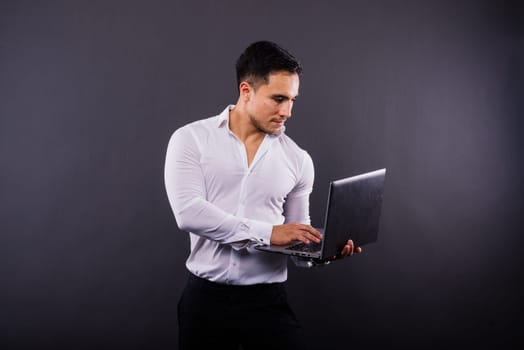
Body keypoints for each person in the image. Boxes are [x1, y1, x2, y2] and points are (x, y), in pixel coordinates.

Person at [164, 40, 362, 350]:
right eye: (278, 98)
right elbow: (188, 212)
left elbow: (295, 236)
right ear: (246, 91)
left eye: (293, 100)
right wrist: (268, 233)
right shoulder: (190, 140)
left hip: (267, 303)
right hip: (204, 301)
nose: (287, 111)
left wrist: (320, 252)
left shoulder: (299, 160)